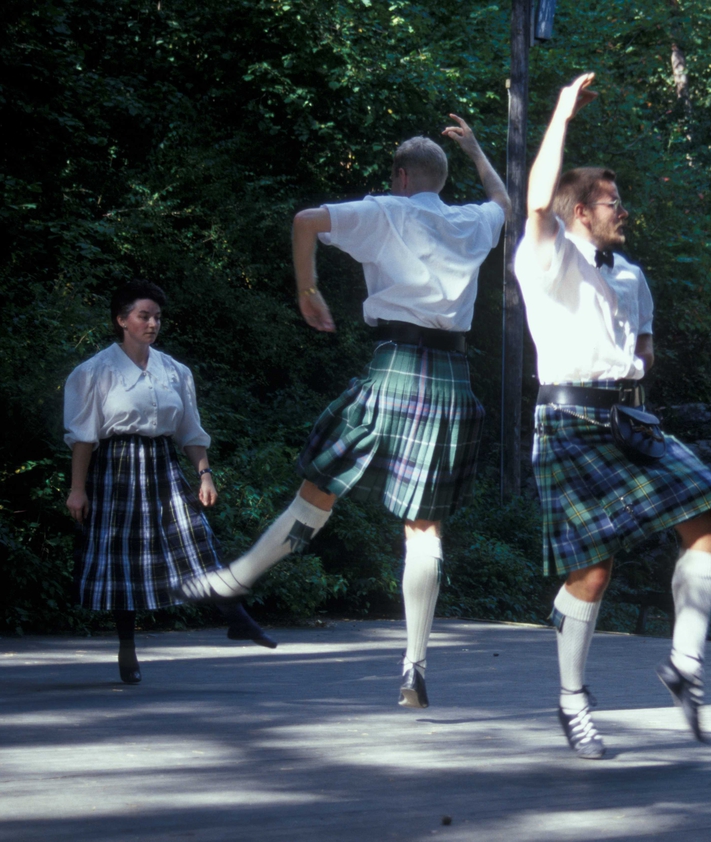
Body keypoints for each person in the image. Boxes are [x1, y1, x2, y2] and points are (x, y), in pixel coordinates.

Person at [175, 116, 510, 710]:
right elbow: (504, 201)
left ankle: (237, 577)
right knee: (425, 529)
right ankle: (414, 668)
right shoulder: (470, 221)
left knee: (320, 486)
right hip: (452, 380)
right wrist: (478, 150)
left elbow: (305, 221)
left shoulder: (387, 208)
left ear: (401, 176)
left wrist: (308, 290)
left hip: (395, 368)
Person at [514, 73, 711, 760]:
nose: (623, 210)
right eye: (611, 202)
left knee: (709, 515)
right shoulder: (546, 256)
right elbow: (534, 198)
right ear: (578, 211)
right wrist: (558, 114)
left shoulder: (630, 274)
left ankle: (685, 663)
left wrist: (637, 360)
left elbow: (643, 343)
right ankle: (573, 700)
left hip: (629, 423)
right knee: (592, 571)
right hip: (567, 422)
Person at [65, 281, 275, 685]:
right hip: (115, 467)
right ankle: (127, 649)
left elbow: (190, 431)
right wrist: (78, 488)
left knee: (197, 541)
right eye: (143, 316)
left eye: (157, 317)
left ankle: (238, 618)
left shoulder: (174, 371)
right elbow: (84, 437)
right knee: (121, 561)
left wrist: (205, 473)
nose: (152, 323)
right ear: (121, 320)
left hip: (161, 464)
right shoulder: (94, 372)